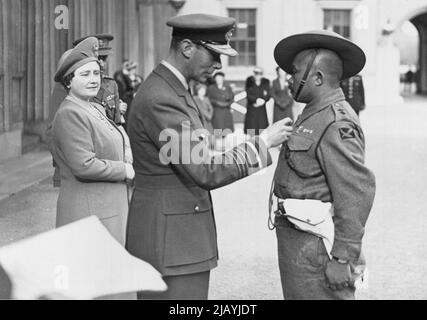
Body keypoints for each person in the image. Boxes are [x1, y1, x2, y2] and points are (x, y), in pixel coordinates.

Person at [125, 13, 293, 300]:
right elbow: (204, 170)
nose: (218, 66)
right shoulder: (162, 97)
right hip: (172, 242)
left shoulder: (172, 89)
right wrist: (262, 144)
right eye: (214, 55)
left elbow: (191, 150)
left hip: (175, 236)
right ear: (187, 48)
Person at [271, 30, 376, 300]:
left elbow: (356, 190)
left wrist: (342, 258)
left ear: (317, 78)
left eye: (294, 72)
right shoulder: (313, 112)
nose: (289, 79)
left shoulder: (336, 121)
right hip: (299, 241)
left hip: (316, 246)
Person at [50, 37, 134, 246]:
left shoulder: (93, 107)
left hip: (106, 211)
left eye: (96, 73)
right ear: (69, 81)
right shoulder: (70, 113)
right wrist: (125, 169)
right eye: (85, 74)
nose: (94, 79)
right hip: (89, 216)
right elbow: (84, 166)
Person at [47, 34, 129, 187]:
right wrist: (66, 165)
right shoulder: (68, 94)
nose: (101, 63)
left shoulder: (106, 85)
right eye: (99, 58)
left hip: (106, 168)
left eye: (103, 59)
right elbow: (54, 130)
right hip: (82, 172)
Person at [244, 67, 271, 136]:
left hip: (261, 110)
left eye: (259, 74)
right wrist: (256, 100)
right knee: (251, 128)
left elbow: (268, 94)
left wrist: (263, 101)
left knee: (262, 128)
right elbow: (248, 94)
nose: (257, 76)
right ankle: (251, 143)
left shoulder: (265, 82)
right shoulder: (249, 81)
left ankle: (260, 144)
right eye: (256, 74)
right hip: (252, 109)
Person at [206, 71, 235, 137]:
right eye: (217, 78)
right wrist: (217, 103)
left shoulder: (228, 87)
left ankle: (223, 144)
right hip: (216, 111)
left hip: (226, 111)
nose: (219, 80)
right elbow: (208, 99)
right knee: (217, 129)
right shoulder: (211, 88)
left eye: (220, 78)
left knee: (226, 130)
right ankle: (217, 144)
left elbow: (232, 98)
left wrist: (227, 103)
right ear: (215, 79)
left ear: (223, 79)